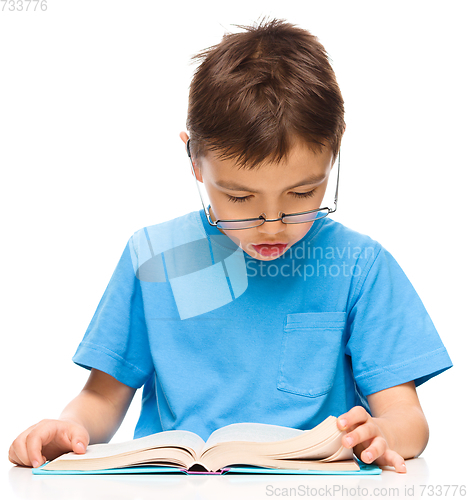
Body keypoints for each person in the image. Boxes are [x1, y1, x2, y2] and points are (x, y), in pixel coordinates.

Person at [8, 17, 452, 474]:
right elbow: (101, 397)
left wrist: (382, 435)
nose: (273, 226)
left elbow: (408, 419)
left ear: (333, 153)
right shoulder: (154, 255)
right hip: (174, 485)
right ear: (195, 162)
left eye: (302, 194)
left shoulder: (360, 266)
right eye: (240, 198)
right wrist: (66, 428)